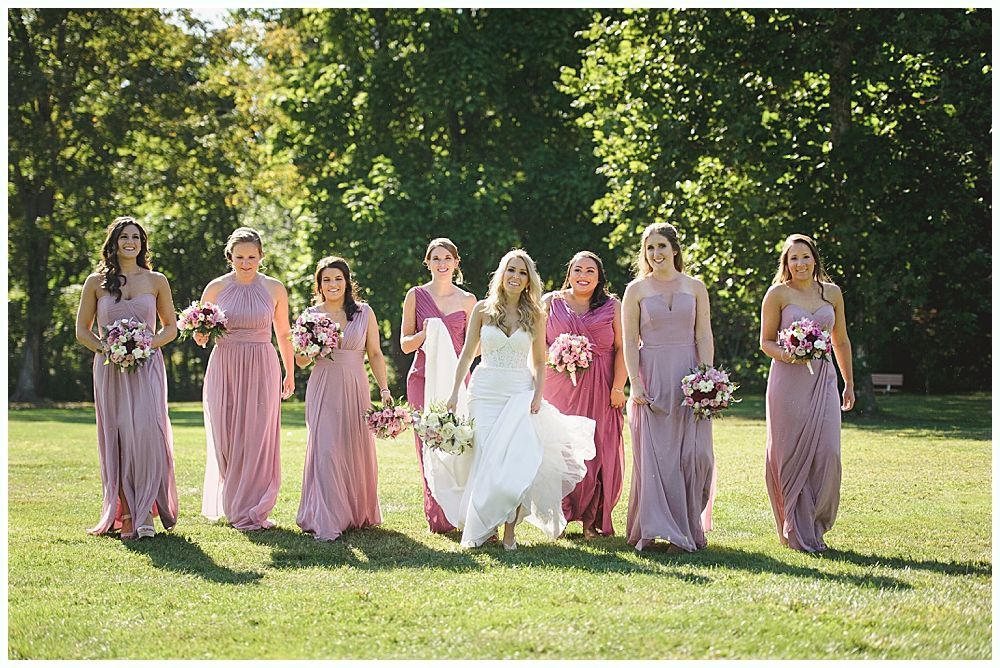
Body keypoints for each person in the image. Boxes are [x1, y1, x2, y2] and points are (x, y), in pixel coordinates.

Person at [433, 249, 595, 551]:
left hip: (519, 392)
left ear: (528, 280)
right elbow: (467, 354)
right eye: (511, 270)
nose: (515, 277)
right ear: (501, 274)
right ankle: (483, 524)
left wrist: (537, 394)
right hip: (485, 391)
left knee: (516, 461)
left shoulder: (535, 314)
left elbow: (539, 361)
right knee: (486, 460)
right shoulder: (482, 310)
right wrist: (455, 392)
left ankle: (509, 531)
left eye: (522, 272)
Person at [75, 216, 179, 540]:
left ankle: (145, 509)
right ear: (114, 243)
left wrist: (146, 345)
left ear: (142, 243)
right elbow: (82, 331)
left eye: (135, 236)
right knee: (118, 437)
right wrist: (107, 349)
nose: (130, 242)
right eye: (124, 237)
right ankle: (126, 514)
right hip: (110, 371)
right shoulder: (95, 283)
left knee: (147, 434)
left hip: (148, 368)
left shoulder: (156, 280)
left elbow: (171, 327)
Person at [622, 222, 715, 552]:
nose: (656, 253)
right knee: (656, 457)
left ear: (675, 250)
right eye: (650, 248)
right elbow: (630, 341)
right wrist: (635, 383)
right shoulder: (636, 290)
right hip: (653, 376)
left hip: (690, 376)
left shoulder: (695, 287)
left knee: (694, 456)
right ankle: (656, 528)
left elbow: (703, 334)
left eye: (661, 246)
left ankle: (686, 526)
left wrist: (708, 377)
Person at [759, 233, 854, 552]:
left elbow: (840, 340)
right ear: (786, 264)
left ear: (815, 259)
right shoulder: (777, 294)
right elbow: (766, 342)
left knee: (828, 454)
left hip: (824, 381)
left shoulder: (832, 293)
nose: (799, 263)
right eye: (793, 258)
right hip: (787, 382)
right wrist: (792, 353)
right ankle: (794, 528)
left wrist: (848, 383)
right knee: (788, 455)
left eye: (804, 256)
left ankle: (816, 522)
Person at [195, 227, 294, 530]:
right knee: (226, 434)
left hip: (262, 363)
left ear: (261, 256)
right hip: (225, 363)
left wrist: (290, 371)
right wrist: (199, 332)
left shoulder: (274, 288)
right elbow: (200, 332)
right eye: (240, 257)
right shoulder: (216, 287)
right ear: (230, 257)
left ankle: (252, 506)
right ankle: (233, 497)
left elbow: (284, 332)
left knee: (257, 436)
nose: (246, 263)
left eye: (252, 257)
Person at [296, 256, 390, 541]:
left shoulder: (364, 312)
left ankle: (353, 512)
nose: (332, 284)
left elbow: (374, 353)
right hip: (324, 385)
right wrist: (314, 345)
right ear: (319, 285)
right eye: (326, 280)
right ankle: (327, 518)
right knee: (326, 449)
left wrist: (384, 389)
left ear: (347, 282)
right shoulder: (310, 315)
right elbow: (300, 362)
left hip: (355, 385)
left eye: (338, 279)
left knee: (352, 446)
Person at [541, 251, 626, 538]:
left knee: (598, 449)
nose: (583, 276)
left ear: (599, 276)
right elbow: (536, 346)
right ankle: (560, 515)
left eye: (590, 270)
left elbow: (622, 348)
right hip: (558, 385)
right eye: (578, 270)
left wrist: (618, 387)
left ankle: (592, 519)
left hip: (601, 387)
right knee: (560, 448)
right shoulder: (550, 302)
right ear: (569, 273)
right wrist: (557, 356)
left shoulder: (613, 305)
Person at [400, 238, 476, 533]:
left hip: (458, 379)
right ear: (427, 263)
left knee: (462, 442)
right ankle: (438, 515)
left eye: (447, 258)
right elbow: (405, 345)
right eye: (436, 258)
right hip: (422, 377)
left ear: (456, 262)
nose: (442, 263)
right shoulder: (415, 295)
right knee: (429, 442)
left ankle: (463, 507)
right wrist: (428, 331)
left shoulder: (469, 300)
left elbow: (476, 347)